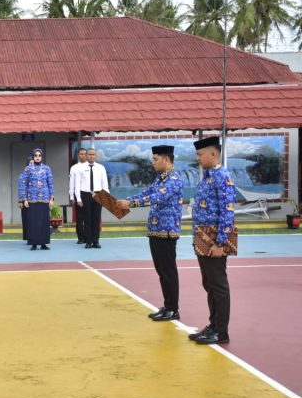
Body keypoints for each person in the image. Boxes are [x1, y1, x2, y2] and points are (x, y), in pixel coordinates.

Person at [116, 145, 184, 321]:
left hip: (167, 230)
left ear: (166, 160)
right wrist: (126, 201)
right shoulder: (160, 179)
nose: (153, 163)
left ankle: (173, 309)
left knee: (168, 270)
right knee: (161, 270)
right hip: (155, 229)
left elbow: (156, 197)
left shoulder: (174, 178)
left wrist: (131, 205)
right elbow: (146, 193)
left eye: (155, 159)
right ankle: (167, 306)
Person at [189, 136, 236, 345]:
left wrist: (220, 242)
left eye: (200, 154)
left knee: (218, 285)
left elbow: (227, 212)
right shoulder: (208, 177)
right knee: (209, 283)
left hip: (214, 239)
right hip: (203, 237)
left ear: (213, 154)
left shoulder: (222, 176)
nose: (198, 158)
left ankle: (221, 331)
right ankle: (213, 325)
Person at [20, 148, 54, 250]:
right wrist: (24, 199)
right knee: (33, 221)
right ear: (33, 157)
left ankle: (43, 243)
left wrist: (51, 198)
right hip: (32, 198)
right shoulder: (28, 169)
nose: (38, 157)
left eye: (39, 156)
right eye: (36, 156)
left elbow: (50, 184)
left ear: (42, 157)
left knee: (44, 222)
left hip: (44, 199)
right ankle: (34, 243)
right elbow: (23, 185)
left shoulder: (47, 169)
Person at [74, 148, 108, 249]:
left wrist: (106, 198)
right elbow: (77, 184)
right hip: (85, 194)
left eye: (93, 154)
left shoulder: (101, 168)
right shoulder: (80, 168)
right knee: (87, 219)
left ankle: (96, 241)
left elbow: (104, 183)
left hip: (98, 194)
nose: (91, 156)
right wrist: (78, 199)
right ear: (86, 156)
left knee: (96, 219)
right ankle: (88, 241)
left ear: (96, 156)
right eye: (89, 154)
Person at [69, 148, 88, 245]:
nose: (83, 156)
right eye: (81, 154)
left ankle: (88, 236)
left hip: (88, 194)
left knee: (88, 217)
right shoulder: (74, 168)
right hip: (78, 194)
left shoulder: (90, 166)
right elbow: (72, 183)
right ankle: (80, 238)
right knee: (80, 218)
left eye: (85, 154)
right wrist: (71, 196)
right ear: (78, 155)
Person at [18, 158, 34, 241]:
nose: (32, 164)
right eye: (30, 163)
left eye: (33, 163)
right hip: (25, 200)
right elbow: (21, 187)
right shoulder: (23, 174)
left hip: (35, 200)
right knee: (26, 219)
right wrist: (21, 200)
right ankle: (27, 237)